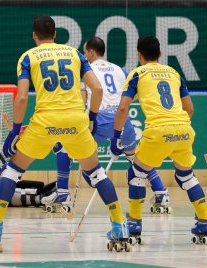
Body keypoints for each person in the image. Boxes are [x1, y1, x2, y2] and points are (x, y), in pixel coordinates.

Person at [0, 15, 130, 252]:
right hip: (75, 120)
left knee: (13, 169)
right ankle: (119, 225)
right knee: (96, 173)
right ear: (55, 35)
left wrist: (14, 132)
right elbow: (97, 88)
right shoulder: (75, 54)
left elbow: (21, 97)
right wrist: (91, 118)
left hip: (45, 121)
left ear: (34, 35)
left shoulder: (28, 57)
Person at [42, 37, 171, 214]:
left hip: (98, 119)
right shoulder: (119, 70)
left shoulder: (85, 69)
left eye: (86, 52)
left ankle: (63, 193)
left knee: (65, 147)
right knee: (136, 158)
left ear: (92, 52)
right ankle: (161, 192)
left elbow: (82, 101)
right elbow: (134, 94)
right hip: (121, 119)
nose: (85, 56)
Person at [111, 36, 207, 244]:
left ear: (139, 55)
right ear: (160, 54)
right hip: (184, 129)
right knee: (186, 177)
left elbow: (123, 108)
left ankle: (134, 224)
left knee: (136, 174)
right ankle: (205, 223)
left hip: (158, 132)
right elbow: (190, 109)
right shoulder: (175, 73)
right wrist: (178, 127)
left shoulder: (137, 73)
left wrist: (116, 136)